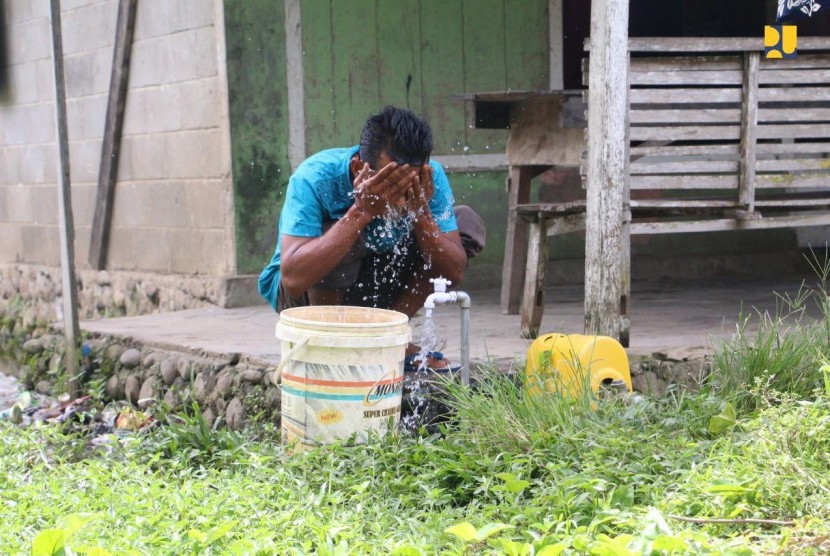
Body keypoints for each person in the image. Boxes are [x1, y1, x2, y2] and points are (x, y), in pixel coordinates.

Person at [258, 105, 485, 370]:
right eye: (391, 182)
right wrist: (361, 212)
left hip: (373, 285)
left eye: (409, 183)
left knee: (464, 223)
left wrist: (420, 213)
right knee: (341, 234)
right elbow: (293, 279)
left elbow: (453, 271)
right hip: (304, 299)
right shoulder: (314, 177)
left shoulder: (429, 177)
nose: (401, 195)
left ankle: (390, 339)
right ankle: (331, 343)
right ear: (358, 169)